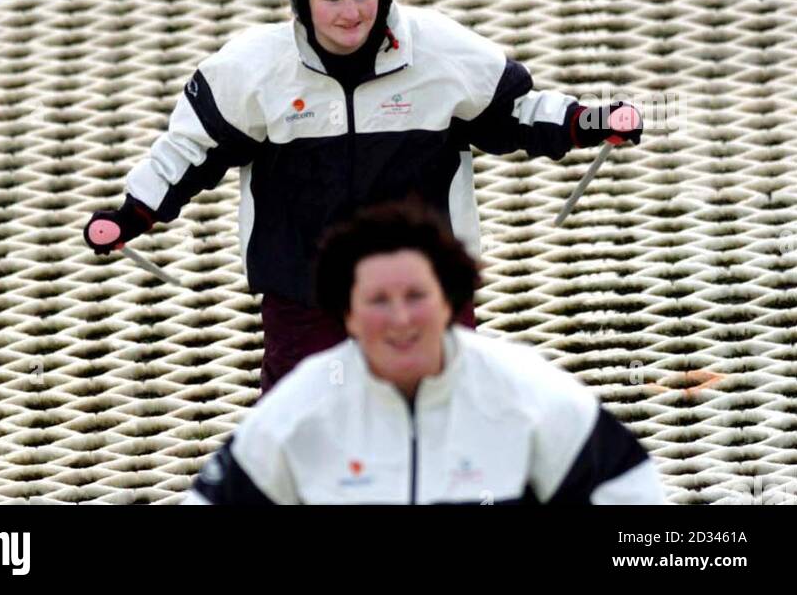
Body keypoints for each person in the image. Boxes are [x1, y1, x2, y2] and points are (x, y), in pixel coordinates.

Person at [83, 0, 643, 390]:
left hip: (424, 289)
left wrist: (586, 121)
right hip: (307, 292)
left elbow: (516, 112)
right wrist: (135, 212)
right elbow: (187, 148)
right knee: (303, 437)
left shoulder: (436, 53)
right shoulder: (255, 70)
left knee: (442, 422)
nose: (350, 13)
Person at [181, 201, 666, 504]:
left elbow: (631, 496)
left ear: (450, 301)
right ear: (345, 313)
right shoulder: (302, 407)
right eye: (377, 301)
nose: (400, 319)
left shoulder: (525, 392)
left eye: (416, 296)